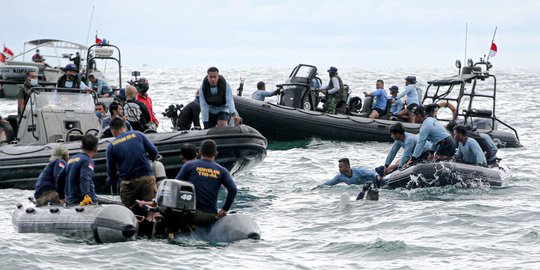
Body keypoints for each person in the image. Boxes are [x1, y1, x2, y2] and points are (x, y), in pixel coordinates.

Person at [175, 139, 237, 226]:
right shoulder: (222, 170)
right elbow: (233, 189)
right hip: (210, 216)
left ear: (199, 152)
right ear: (215, 154)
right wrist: (225, 209)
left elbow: (175, 184)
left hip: (191, 215)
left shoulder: (189, 165)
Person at [106, 117, 158, 214]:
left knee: (127, 213)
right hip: (146, 178)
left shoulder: (111, 146)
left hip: (128, 183)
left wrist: (112, 181)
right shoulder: (138, 134)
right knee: (151, 211)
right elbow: (154, 152)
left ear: (112, 130)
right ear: (125, 126)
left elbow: (111, 170)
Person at [65, 134, 105, 205]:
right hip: (80, 199)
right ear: (96, 149)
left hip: (69, 199)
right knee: (119, 204)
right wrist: (87, 197)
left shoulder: (72, 159)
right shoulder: (87, 161)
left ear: (81, 147)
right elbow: (84, 179)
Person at [316, 158, 382, 188]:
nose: (339, 169)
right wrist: (318, 187)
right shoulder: (340, 177)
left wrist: (378, 177)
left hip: (376, 179)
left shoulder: (358, 170)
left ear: (347, 166)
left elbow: (372, 172)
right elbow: (330, 183)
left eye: (340, 167)